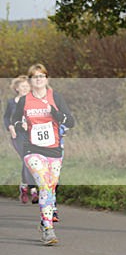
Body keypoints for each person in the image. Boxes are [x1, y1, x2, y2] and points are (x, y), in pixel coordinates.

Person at [10, 64, 76, 245]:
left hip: (54, 149)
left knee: (51, 188)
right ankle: (48, 230)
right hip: (32, 149)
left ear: (47, 79)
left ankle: (44, 220)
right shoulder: (25, 100)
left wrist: (57, 115)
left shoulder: (56, 97)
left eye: (41, 76)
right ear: (30, 80)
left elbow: (71, 121)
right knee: (45, 186)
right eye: (35, 77)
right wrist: (21, 125)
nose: (38, 79)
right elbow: (14, 120)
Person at [4, 75, 37, 204]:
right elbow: (6, 117)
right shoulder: (12, 102)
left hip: (31, 134)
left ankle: (24, 186)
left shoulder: (33, 101)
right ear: (17, 88)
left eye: (27, 86)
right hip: (17, 135)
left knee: (30, 160)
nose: (25, 88)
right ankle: (33, 189)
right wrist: (10, 127)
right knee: (27, 158)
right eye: (23, 86)